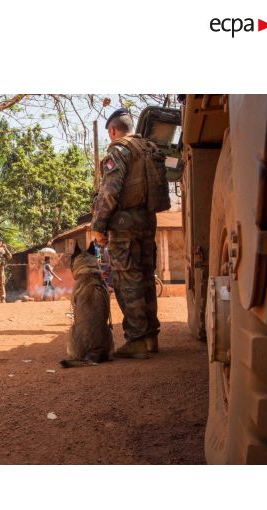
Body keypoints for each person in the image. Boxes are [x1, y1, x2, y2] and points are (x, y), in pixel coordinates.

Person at [90, 107, 160, 358]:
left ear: (112, 130)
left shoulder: (118, 150)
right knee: (145, 277)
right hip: (147, 221)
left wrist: (98, 226)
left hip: (124, 224)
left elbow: (110, 191)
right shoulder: (147, 148)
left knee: (126, 280)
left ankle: (137, 341)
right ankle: (151, 337)